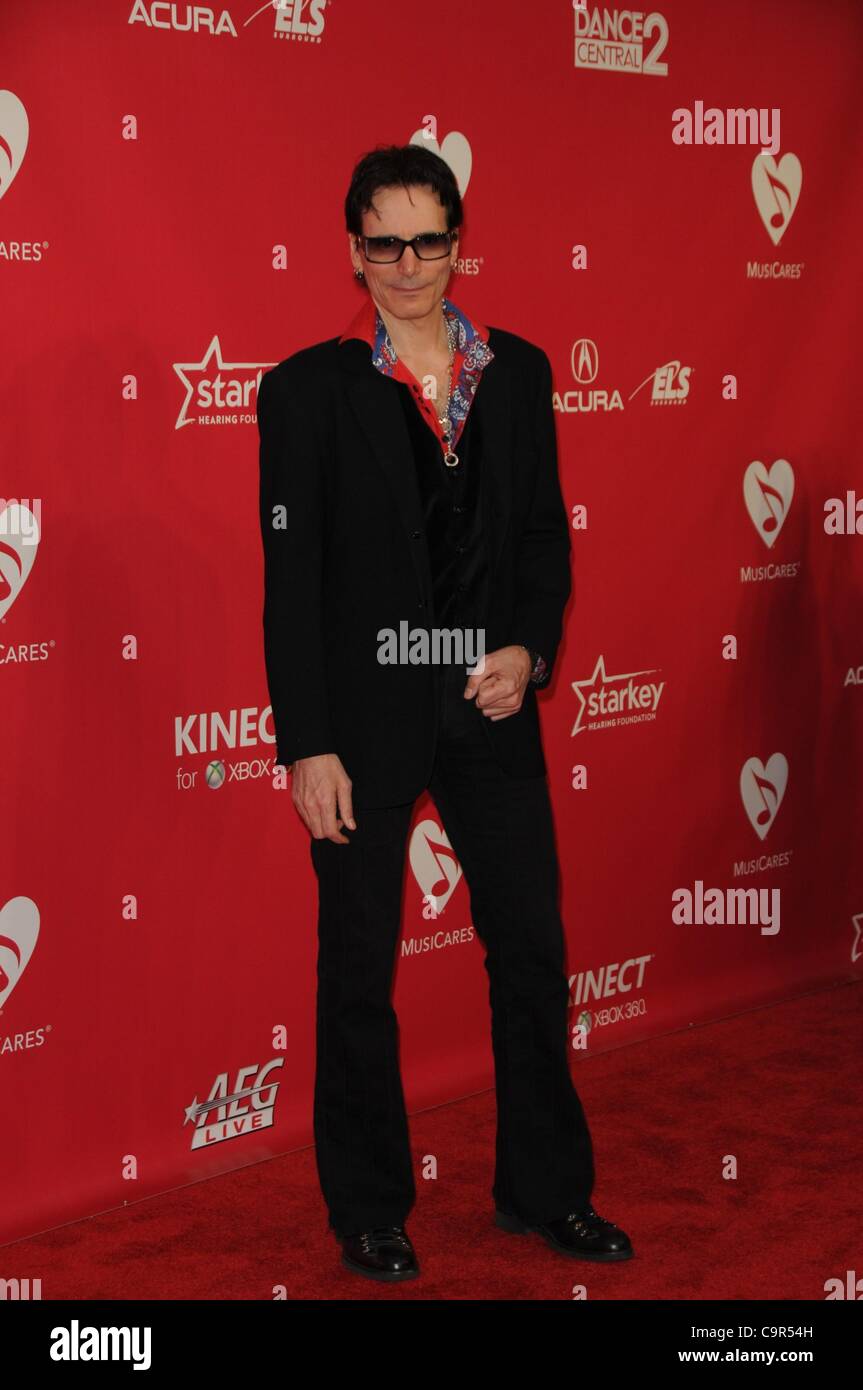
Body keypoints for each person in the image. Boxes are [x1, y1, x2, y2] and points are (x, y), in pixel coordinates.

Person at [257, 142, 632, 1282]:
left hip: (490, 703)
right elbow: (292, 583)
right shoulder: (304, 390)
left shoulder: (515, 372)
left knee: (530, 949)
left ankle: (543, 1191)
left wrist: (527, 646)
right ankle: (370, 1209)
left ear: (458, 243)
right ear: (353, 252)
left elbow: (538, 539)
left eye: (428, 239)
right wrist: (306, 742)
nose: (408, 262)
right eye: (385, 242)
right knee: (358, 969)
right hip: (362, 717)